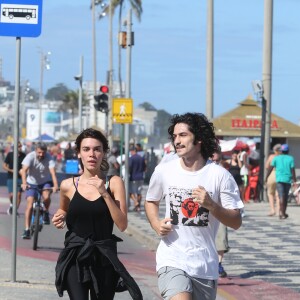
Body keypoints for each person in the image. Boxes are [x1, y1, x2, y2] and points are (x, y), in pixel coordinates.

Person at [145, 113, 244, 300]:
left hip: (204, 265)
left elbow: (236, 221)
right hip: (171, 259)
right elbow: (151, 200)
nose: (177, 141)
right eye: (174, 136)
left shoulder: (220, 176)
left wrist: (212, 205)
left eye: (183, 135)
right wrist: (155, 223)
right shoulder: (164, 170)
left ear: (198, 138)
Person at [52, 128, 142, 300]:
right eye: (86, 149)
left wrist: (104, 193)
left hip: (104, 257)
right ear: (78, 153)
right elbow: (63, 209)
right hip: (75, 256)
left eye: (97, 149)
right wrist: (60, 216)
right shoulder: (67, 185)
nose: (91, 154)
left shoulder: (114, 183)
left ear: (104, 153)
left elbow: (122, 224)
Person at [21, 142, 59, 239]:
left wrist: (55, 185)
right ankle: (27, 229)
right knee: (29, 205)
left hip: (44, 182)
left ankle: (46, 211)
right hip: (31, 183)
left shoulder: (49, 157)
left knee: (46, 196)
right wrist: (24, 183)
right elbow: (24, 170)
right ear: (35, 151)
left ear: (46, 152)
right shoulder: (30, 156)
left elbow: (53, 173)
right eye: (39, 152)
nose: (41, 154)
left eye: (43, 153)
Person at [266, 144, 297, 220]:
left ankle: (282, 212)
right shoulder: (290, 158)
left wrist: (266, 177)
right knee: (285, 196)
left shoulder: (276, 158)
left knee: (281, 196)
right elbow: (292, 170)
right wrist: (294, 180)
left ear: (281, 151)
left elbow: (270, 168)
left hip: (279, 179)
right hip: (287, 179)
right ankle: (283, 212)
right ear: (288, 151)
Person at [2, 141, 26, 215]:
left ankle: (15, 210)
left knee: (18, 195)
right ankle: (12, 205)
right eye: (19, 146)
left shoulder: (23, 155)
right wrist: (11, 170)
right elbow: (4, 166)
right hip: (11, 177)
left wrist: (23, 171)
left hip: (20, 178)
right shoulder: (10, 155)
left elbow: (25, 166)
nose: (20, 148)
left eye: (20, 146)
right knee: (11, 195)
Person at [265, 144, 281, 216]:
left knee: (270, 193)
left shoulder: (271, 157)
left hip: (272, 174)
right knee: (278, 194)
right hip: (279, 175)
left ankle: (272, 210)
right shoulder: (281, 157)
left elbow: (266, 166)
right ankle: (278, 211)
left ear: (274, 150)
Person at [129, 146, 146, 212]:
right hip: (141, 177)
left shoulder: (131, 158)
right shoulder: (141, 158)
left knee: (130, 192)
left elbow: (129, 167)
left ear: (132, 151)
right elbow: (145, 168)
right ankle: (138, 207)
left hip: (133, 177)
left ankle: (136, 202)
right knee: (139, 192)